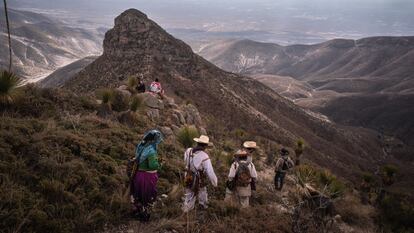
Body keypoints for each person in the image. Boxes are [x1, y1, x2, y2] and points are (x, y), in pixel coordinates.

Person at [130, 129, 163, 222]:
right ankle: (144, 217)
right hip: (147, 177)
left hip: (139, 175)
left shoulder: (142, 146)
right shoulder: (151, 151)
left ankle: (137, 212)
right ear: (154, 140)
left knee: (139, 194)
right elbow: (152, 165)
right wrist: (160, 164)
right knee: (147, 196)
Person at [182, 135, 218, 212]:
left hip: (187, 175)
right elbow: (210, 172)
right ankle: (203, 207)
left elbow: (185, 161)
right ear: (205, 146)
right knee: (202, 191)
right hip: (198, 178)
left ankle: (186, 210)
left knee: (188, 193)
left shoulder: (188, 151)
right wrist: (215, 183)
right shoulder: (204, 156)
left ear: (197, 143)